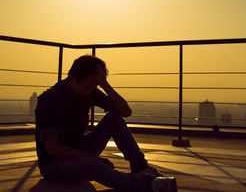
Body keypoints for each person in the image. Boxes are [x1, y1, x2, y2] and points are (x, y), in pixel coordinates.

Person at [35, 55, 177, 192]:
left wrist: (105, 85)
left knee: (113, 118)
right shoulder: (48, 100)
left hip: (80, 149)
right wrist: (92, 157)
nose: (89, 91)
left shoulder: (90, 92)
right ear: (73, 77)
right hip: (54, 164)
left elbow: (125, 111)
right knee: (90, 164)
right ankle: (149, 185)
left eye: (93, 87)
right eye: (86, 86)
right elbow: (53, 149)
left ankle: (140, 168)